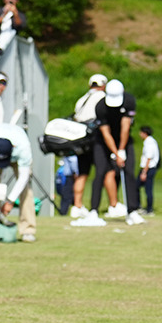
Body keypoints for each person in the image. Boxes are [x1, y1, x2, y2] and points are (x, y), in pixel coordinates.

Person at [93, 79, 145, 226]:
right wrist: (115, 153)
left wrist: (121, 150)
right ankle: (93, 212)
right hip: (102, 142)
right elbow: (105, 133)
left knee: (128, 171)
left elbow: (125, 127)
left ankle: (132, 211)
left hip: (124, 139)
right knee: (100, 172)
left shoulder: (129, 101)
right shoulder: (101, 107)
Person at [70, 74, 106, 218]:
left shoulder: (81, 100)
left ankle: (77, 205)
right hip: (96, 139)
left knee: (82, 173)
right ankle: (113, 204)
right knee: (104, 170)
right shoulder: (102, 97)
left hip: (80, 139)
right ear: (103, 85)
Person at [138, 125, 160, 215]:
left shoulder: (149, 143)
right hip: (148, 168)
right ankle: (140, 206)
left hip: (148, 169)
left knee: (147, 189)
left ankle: (149, 209)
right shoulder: (151, 141)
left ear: (144, 133)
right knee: (137, 187)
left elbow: (148, 158)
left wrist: (144, 172)